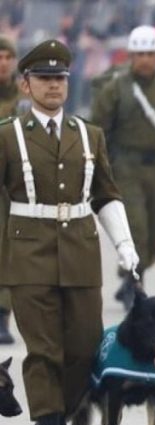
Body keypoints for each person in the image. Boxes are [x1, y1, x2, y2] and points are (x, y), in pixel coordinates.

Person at [0, 39, 139, 425]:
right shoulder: (7, 136)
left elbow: (106, 195)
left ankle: (63, 416)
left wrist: (125, 244)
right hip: (29, 250)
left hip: (79, 250)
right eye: (44, 79)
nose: (54, 85)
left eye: (60, 78)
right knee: (43, 349)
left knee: (83, 346)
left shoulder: (89, 135)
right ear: (25, 85)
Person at [91, 25, 155, 310]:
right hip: (124, 166)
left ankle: (130, 276)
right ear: (130, 55)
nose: (146, 60)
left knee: (152, 230)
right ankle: (133, 285)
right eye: (140, 54)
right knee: (135, 225)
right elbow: (98, 129)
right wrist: (97, 166)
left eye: (151, 54)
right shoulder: (116, 89)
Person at [0, 36, 19, 345]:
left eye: (7, 57)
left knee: (9, 250)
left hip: (12, 186)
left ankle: (2, 315)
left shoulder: (27, 96)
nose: (3, 63)